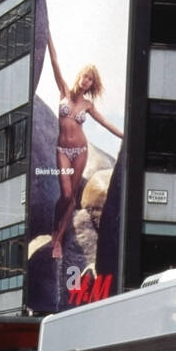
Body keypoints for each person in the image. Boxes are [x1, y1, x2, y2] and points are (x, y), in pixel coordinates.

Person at [45, 30, 124, 260]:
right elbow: (54, 61)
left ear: (91, 84)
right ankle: (54, 224)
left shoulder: (88, 105)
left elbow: (105, 122)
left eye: (90, 79)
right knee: (66, 193)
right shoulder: (64, 91)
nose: (86, 80)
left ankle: (57, 239)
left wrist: (124, 135)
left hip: (80, 151)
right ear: (80, 76)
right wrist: (48, 35)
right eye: (85, 76)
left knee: (72, 198)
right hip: (62, 150)